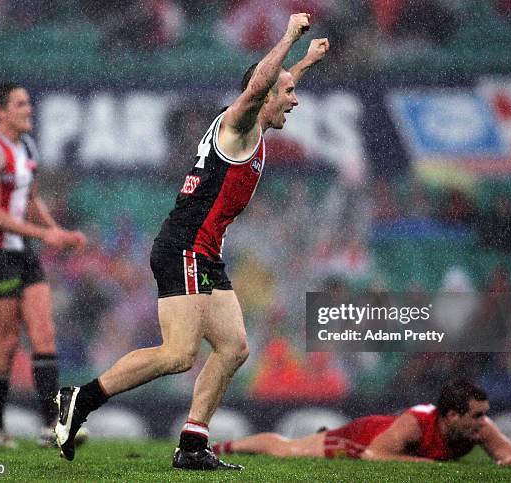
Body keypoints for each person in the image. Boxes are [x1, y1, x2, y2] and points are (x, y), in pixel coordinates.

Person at [54, 13, 329, 470]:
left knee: (234, 347)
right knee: (179, 354)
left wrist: (306, 62)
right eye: (289, 93)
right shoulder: (239, 125)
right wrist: (287, 37)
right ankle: (80, 399)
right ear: (260, 95)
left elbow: (273, 84)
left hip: (204, 252)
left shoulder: (253, 124)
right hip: (184, 247)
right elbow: (263, 84)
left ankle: (193, 445)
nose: (294, 100)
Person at [0, 83, 87, 448]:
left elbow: (30, 199)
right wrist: (42, 234)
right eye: (20, 104)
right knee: (6, 341)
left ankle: (53, 427)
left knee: (44, 334)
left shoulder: (27, 147)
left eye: (28, 103)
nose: (29, 109)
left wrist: (55, 231)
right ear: (0, 112)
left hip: (22, 253)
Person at [211, 380, 511, 466]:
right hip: (363, 437)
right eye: (477, 415)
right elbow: (374, 456)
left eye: (484, 413)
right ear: (451, 416)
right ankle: (221, 447)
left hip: (378, 437)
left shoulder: (479, 427)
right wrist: (424, 466)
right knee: (289, 450)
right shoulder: (415, 424)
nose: (484, 422)